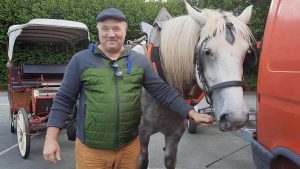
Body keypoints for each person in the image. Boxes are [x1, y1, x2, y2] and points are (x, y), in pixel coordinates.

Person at [43, 7, 214, 169]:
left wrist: (190, 112)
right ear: (98, 31)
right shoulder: (80, 60)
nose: (111, 34)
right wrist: (51, 138)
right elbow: (64, 100)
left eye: (116, 29)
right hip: (92, 151)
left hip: (129, 150)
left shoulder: (140, 61)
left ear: (125, 31)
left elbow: (162, 91)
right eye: (105, 29)